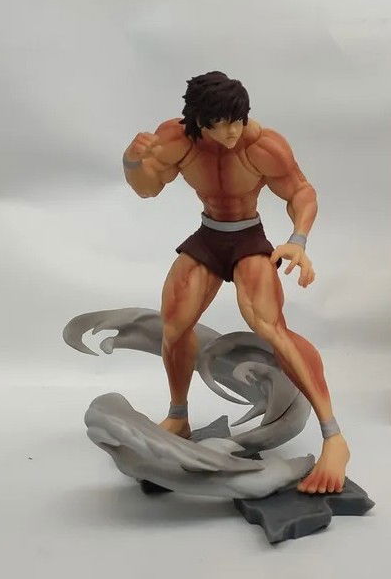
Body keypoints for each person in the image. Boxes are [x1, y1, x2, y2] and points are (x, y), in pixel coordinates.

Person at [122, 71, 348, 494]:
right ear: (198, 121)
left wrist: (298, 240)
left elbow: (301, 192)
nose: (230, 133)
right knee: (174, 323)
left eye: (237, 122)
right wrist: (132, 162)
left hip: (248, 238)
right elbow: (147, 189)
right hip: (209, 235)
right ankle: (178, 415)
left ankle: (333, 437)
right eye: (219, 124)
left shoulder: (262, 145)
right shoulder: (177, 140)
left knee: (271, 328)